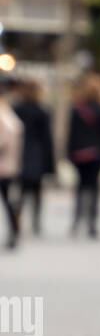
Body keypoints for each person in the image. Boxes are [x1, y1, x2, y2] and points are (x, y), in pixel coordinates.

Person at [66, 71, 100, 239]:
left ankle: (77, 220)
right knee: (94, 188)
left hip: (79, 154)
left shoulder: (77, 108)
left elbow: (71, 133)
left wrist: (68, 152)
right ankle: (92, 223)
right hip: (96, 154)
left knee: (80, 187)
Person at [12, 77, 55, 235]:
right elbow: (47, 139)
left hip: (21, 154)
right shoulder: (42, 111)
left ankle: (17, 219)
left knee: (21, 191)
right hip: (37, 155)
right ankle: (35, 221)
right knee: (36, 191)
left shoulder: (17, 109)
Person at [0, 77, 23, 249]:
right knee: (9, 200)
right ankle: (14, 231)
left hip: (4, 165)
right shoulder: (8, 113)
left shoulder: (3, 114)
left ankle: (14, 231)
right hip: (8, 165)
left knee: (8, 201)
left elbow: (4, 140)